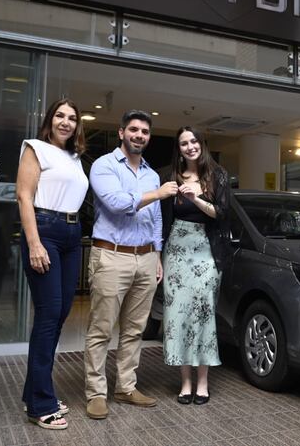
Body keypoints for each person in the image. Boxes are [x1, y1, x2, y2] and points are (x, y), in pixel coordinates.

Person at [84, 110, 178, 420]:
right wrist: (158, 193)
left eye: (145, 132)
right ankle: (96, 392)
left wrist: (158, 254)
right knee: (101, 329)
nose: (139, 135)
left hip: (146, 257)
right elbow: (117, 203)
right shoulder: (104, 165)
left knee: (135, 330)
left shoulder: (151, 173)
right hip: (111, 254)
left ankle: (125, 387)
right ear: (122, 132)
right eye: (134, 130)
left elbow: (156, 218)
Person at [16, 98, 89, 430]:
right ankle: (41, 404)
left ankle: (35, 391)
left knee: (59, 315)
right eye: (60, 115)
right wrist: (34, 242)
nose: (66, 122)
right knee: (48, 315)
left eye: (72, 118)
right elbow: (24, 196)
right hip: (45, 230)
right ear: (50, 119)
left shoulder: (74, 158)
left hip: (73, 236)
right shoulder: (35, 148)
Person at [161, 126, 230, 405]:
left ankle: (202, 382)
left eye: (194, 141)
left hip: (206, 252)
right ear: (178, 149)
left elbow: (222, 215)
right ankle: (185, 382)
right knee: (178, 315)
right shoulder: (171, 177)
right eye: (183, 143)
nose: (190, 147)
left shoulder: (218, 175)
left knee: (203, 315)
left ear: (202, 143)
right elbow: (163, 218)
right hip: (176, 250)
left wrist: (196, 199)